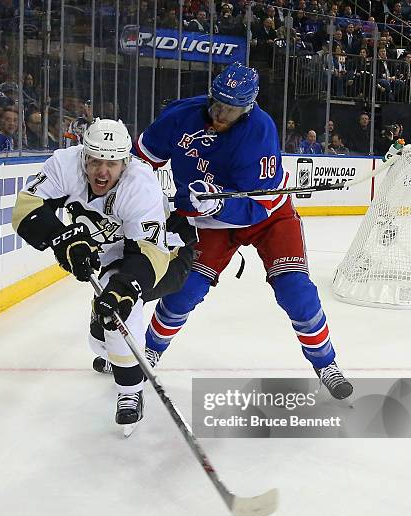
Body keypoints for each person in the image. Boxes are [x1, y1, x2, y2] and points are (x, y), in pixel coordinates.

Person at [133, 62, 353, 400]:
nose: (220, 116)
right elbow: (140, 161)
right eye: (217, 105)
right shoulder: (180, 116)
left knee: (295, 290)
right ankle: (149, 351)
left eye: (231, 111)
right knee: (184, 290)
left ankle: (326, 364)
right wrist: (148, 201)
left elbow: (256, 208)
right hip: (207, 221)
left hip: (267, 218)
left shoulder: (259, 131)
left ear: (247, 109)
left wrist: (215, 206)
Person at [12, 119, 194, 426]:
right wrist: (63, 240)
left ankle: (130, 390)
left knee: (122, 310)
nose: (102, 171)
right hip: (111, 250)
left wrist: (125, 288)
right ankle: (108, 337)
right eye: (95, 159)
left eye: (111, 162)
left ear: (126, 161)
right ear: (83, 155)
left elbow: (150, 253)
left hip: (166, 255)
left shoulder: (140, 185)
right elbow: (26, 207)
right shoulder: (65, 164)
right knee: (103, 332)